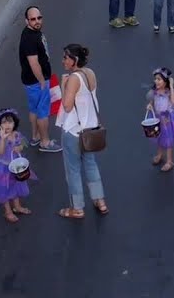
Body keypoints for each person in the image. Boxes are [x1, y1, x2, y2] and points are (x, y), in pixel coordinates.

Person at [56, 44, 107, 219]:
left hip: (74, 131)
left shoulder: (73, 79)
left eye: (65, 57)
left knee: (73, 171)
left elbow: (67, 106)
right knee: (91, 165)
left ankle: (77, 208)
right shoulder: (90, 73)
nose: (63, 60)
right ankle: (100, 200)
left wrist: (64, 85)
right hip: (90, 130)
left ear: (74, 60)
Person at [18, 7, 60, 153]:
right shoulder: (30, 38)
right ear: (26, 20)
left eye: (39, 18)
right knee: (43, 112)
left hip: (30, 81)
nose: (37, 21)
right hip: (37, 81)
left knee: (34, 108)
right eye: (33, 19)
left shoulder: (30, 33)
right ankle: (45, 142)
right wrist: (42, 81)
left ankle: (35, 136)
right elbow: (34, 63)